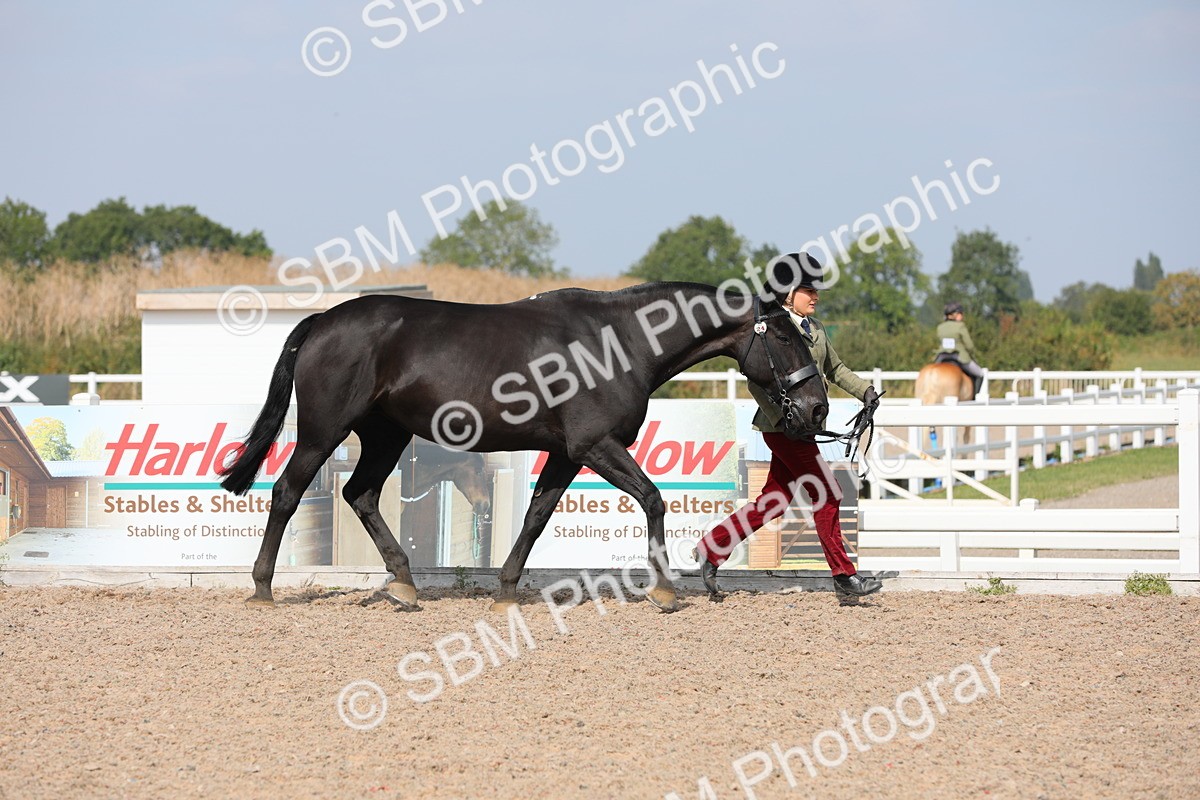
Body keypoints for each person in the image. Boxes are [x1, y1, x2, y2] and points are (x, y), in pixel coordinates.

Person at [694, 252, 883, 599]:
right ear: (787, 293)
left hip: (803, 427)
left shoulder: (817, 329)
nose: (815, 296)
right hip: (781, 428)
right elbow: (755, 381)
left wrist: (865, 391)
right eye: (807, 290)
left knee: (775, 500)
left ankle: (712, 547)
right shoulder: (775, 330)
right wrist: (784, 417)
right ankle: (844, 576)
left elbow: (835, 370)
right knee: (827, 493)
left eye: (816, 290)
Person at [937, 302, 985, 397]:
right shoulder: (960, 326)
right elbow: (969, 345)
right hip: (959, 357)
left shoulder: (940, 327)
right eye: (960, 313)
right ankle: (974, 398)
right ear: (955, 315)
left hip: (941, 356)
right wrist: (972, 353)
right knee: (980, 374)